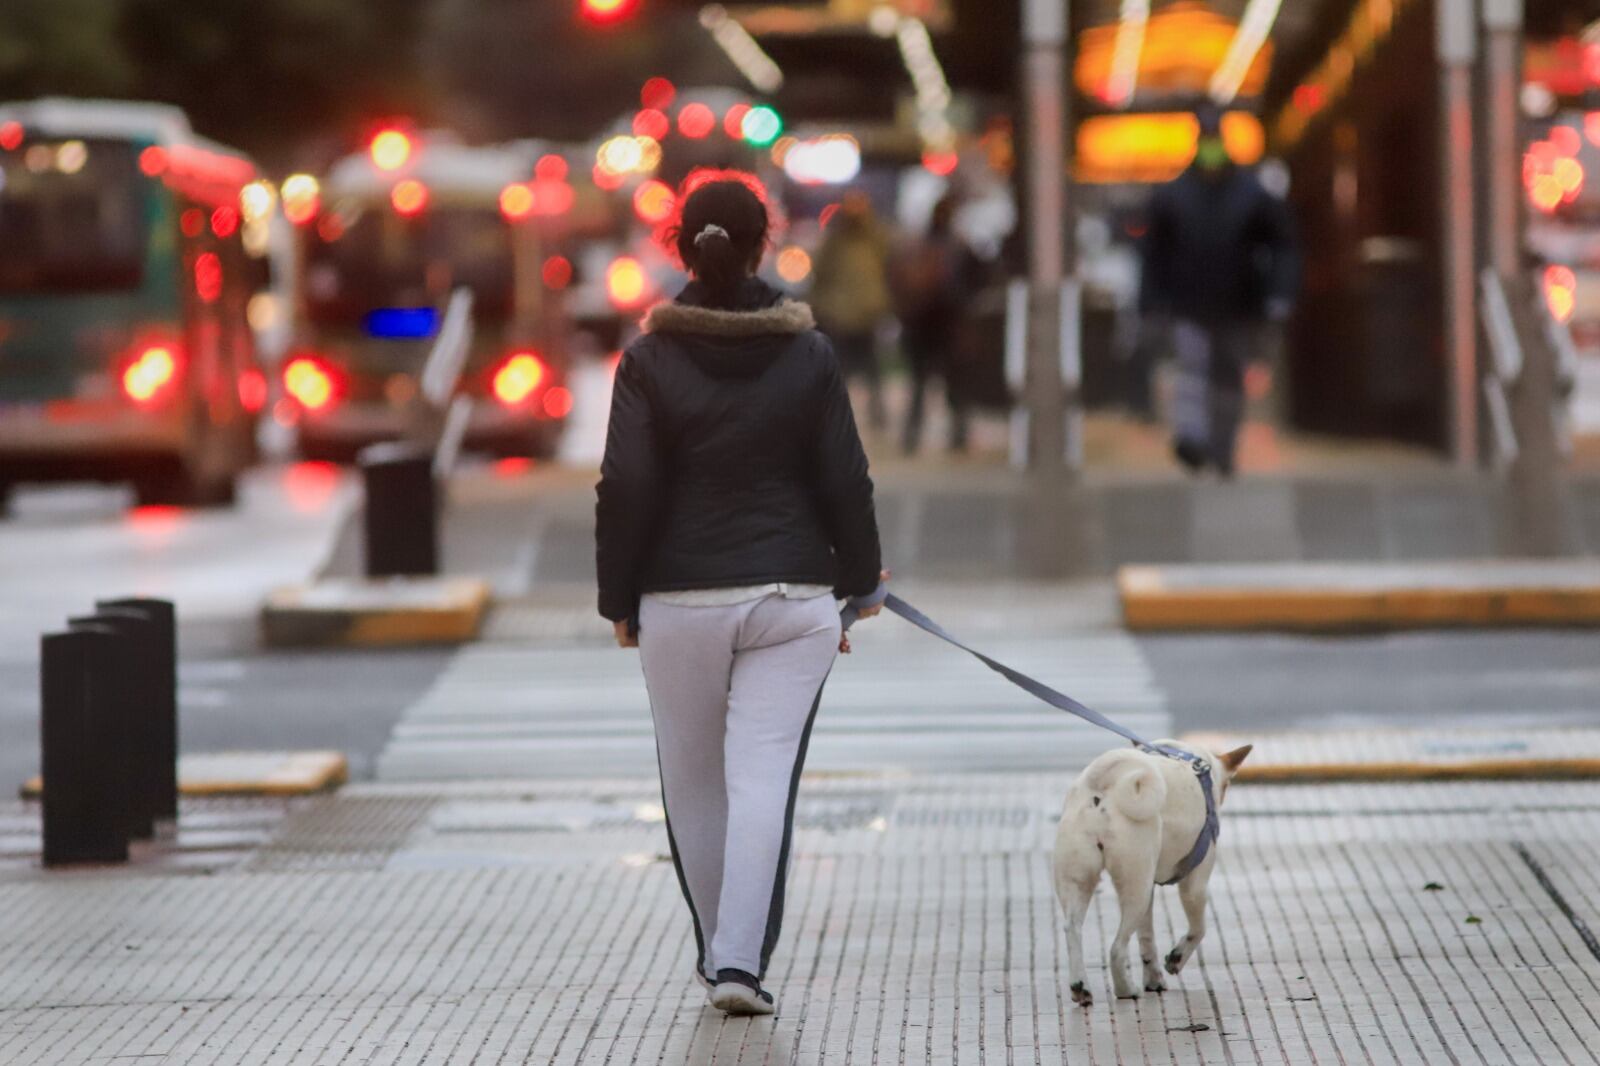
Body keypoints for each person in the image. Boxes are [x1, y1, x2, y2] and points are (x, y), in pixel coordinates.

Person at [595, 174, 886, 1017]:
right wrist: (862, 581)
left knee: (694, 781)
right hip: (793, 598)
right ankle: (738, 963)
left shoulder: (648, 360)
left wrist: (619, 600)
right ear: (765, 243)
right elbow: (846, 478)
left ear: (681, 247)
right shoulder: (809, 352)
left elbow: (626, 487)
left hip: (678, 599)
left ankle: (722, 954)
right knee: (763, 779)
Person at [1141, 103, 1298, 477]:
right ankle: (1194, 440)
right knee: (1193, 373)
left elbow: (1283, 243)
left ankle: (1221, 448)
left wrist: (1279, 292)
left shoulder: (1250, 194)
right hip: (1189, 303)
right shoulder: (1175, 196)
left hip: (1237, 302)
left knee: (1226, 377)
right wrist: (1152, 300)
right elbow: (1154, 253)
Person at [894, 195, 975, 454]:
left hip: (927, 323)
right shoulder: (955, 246)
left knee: (927, 385)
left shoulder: (920, 246)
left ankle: (918, 436)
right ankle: (953, 435)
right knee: (944, 385)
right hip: (939, 322)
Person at [809, 189, 893, 431]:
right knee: (843, 370)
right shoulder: (835, 242)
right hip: (841, 316)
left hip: (866, 314)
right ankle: (838, 415)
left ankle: (877, 416)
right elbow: (820, 274)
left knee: (871, 370)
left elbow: (887, 269)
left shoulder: (875, 239)